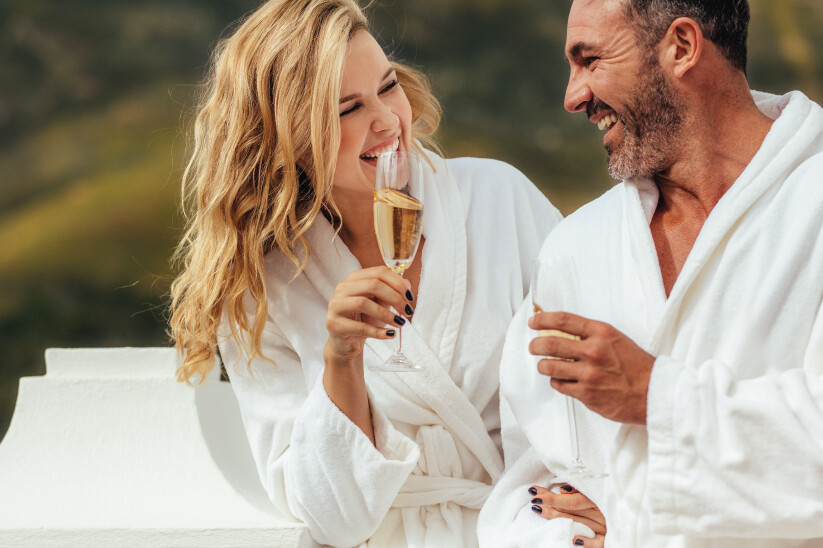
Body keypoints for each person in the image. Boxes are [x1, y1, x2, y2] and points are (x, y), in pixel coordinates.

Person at [168, 0, 565, 546]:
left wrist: (593, 495)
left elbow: (588, 376)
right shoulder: (264, 293)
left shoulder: (501, 200)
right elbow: (331, 516)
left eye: (387, 86)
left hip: (525, 529)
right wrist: (342, 357)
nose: (386, 120)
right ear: (290, 138)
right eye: (347, 108)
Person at [479, 0, 823, 546]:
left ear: (682, 47)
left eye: (589, 60)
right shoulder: (578, 247)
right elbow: (533, 482)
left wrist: (652, 394)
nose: (573, 97)